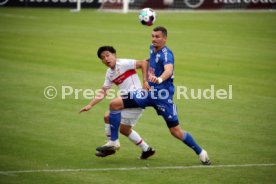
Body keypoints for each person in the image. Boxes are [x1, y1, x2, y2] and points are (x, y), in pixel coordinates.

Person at [97, 27, 211, 165]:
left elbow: (168, 70)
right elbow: (150, 60)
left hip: (162, 97)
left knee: (175, 131)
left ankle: (201, 153)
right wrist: (147, 77)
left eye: (157, 37)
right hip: (147, 93)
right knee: (114, 104)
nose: (154, 39)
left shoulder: (167, 54)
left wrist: (160, 79)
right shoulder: (152, 48)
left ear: (165, 39)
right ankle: (113, 142)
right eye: (152, 36)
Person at [79, 46, 155, 159]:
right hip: (128, 99)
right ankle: (147, 149)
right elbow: (104, 91)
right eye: (103, 57)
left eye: (108, 55)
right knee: (121, 127)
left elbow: (143, 63)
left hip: (138, 96)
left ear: (114, 55)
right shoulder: (109, 73)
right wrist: (90, 105)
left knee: (112, 108)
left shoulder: (123, 63)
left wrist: (145, 81)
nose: (106, 59)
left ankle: (113, 143)